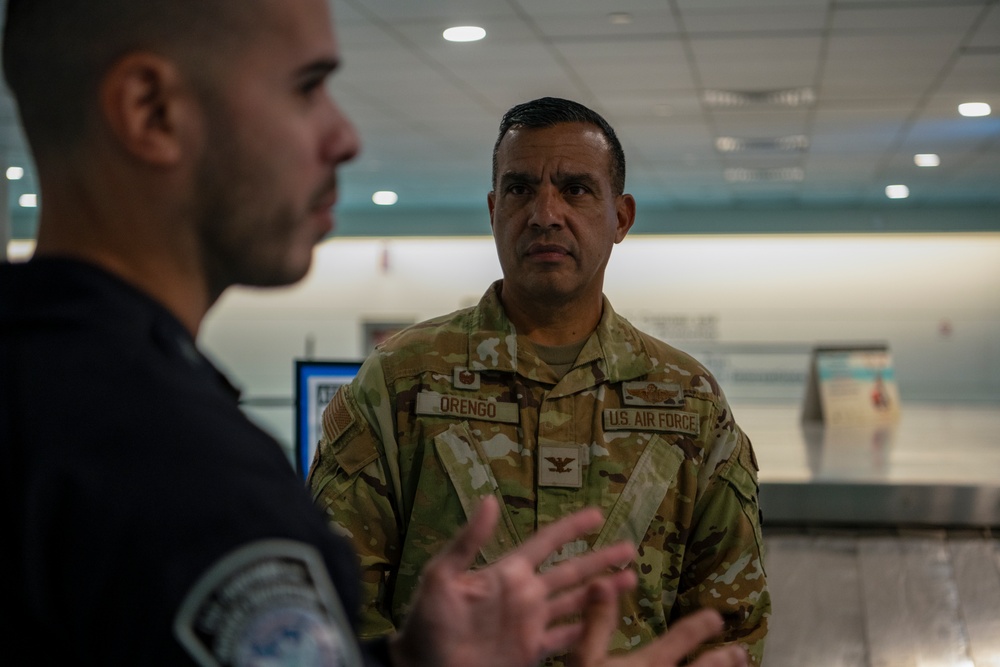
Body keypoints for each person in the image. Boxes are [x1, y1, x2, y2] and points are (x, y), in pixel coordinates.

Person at [0, 1, 750, 666]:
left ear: (620, 217)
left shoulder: (91, 418)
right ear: (150, 109)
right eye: (305, 86)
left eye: (575, 190)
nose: (347, 136)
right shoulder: (188, 477)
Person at [308, 97, 771, 665]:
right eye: (520, 188)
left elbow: (729, 621)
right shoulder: (402, 381)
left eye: (575, 188)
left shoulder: (687, 398)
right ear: (493, 209)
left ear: (620, 217)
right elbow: (337, 603)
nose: (544, 213)